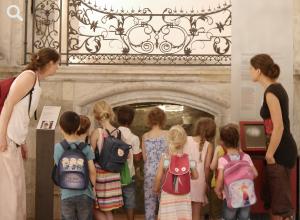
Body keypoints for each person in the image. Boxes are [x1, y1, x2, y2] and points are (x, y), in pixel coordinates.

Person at [0, 48, 59, 220]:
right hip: (8, 138)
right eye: (57, 64)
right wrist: (2, 136)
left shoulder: (35, 80)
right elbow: (8, 105)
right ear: (49, 63)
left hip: (15, 139)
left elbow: (22, 114)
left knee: (16, 188)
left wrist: (23, 141)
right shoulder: (29, 77)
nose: (58, 67)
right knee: (9, 191)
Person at [250, 54, 298, 220]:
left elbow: (279, 127)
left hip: (280, 151)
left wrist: (270, 154)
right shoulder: (275, 88)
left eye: (251, 69)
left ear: (258, 70)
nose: (250, 72)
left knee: (280, 208)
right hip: (280, 149)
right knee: (275, 203)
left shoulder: (271, 92)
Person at [54, 111, 96, 220]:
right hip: (85, 193)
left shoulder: (58, 148)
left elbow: (58, 170)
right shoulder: (86, 148)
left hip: (66, 193)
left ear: (60, 128)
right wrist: (92, 188)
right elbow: (92, 171)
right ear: (78, 128)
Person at [154, 125, 198, 220]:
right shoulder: (189, 159)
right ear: (184, 141)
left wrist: (156, 188)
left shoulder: (166, 158)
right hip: (184, 196)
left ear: (169, 140)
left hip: (168, 195)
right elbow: (196, 176)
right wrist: (187, 175)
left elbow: (158, 177)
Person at [215, 124, 258, 220]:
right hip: (245, 195)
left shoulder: (223, 160)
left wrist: (217, 190)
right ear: (238, 140)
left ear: (222, 142)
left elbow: (220, 179)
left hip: (230, 197)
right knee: (244, 217)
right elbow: (255, 173)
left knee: (228, 217)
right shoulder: (246, 157)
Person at [90, 100, 123, 220]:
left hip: (100, 175)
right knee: (108, 209)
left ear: (95, 115)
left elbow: (90, 155)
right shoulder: (118, 132)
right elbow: (126, 155)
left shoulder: (97, 133)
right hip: (114, 174)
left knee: (94, 207)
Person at [184, 117, 215, 220]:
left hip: (185, 179)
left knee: (184, 212)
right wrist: (206, 182)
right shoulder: (209, 145)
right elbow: (207, 167)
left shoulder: (186, 139)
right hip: (199, 180)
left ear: (197, 128)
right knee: (197, 213)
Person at [142, 107, 168, 220]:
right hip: (164, 172)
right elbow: (169, 154)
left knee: (149, 203)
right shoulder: (167, 134)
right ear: (163, 120)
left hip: (149, 172)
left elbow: (144, 157)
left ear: (149, 120)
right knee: (165, 204)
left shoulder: (145, 136)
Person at [117, 105, 142, 220]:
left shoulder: (111, 134)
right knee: (130, 201)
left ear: (117, 119)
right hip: (129, 175)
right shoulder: (134, 138)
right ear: (131, 121)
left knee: (111, 201)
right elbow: (137, 158)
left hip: (112, 173)